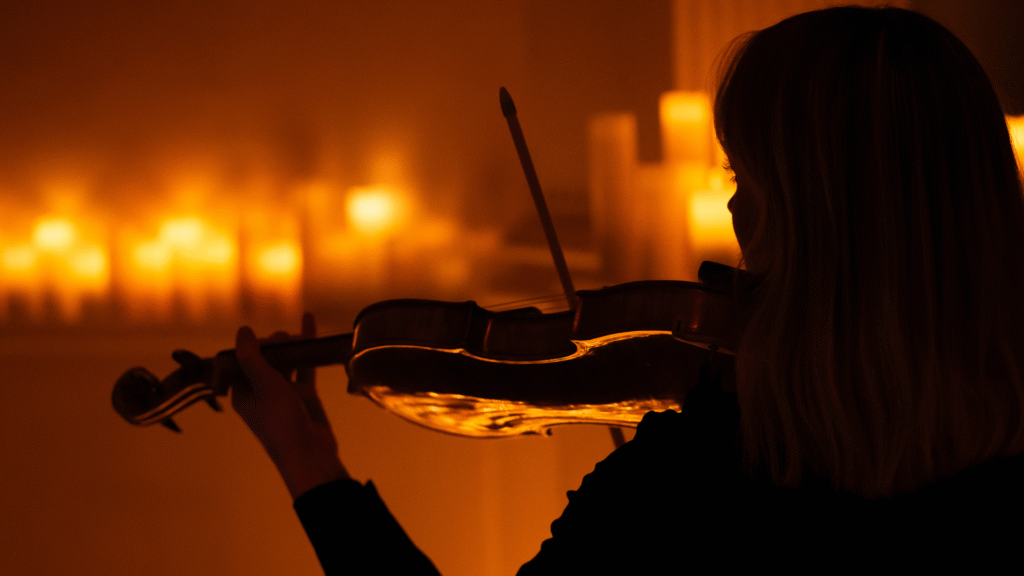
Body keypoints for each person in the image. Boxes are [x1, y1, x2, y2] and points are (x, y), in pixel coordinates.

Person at [231, 6, 1024, 574]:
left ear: (809, 218)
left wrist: (311, 467)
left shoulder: (689, 489)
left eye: (744, 178)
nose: (735, 212)